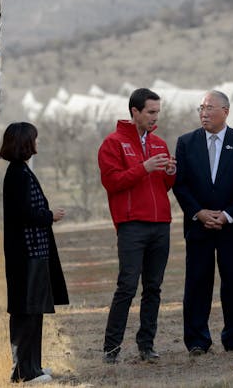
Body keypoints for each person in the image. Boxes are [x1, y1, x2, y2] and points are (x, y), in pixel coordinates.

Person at [173, 90, 233, 355]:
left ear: (225, 111)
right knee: (197, 282)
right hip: (198, 225)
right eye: (201, 108)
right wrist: (199, 212)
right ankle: (197, 340)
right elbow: (181, 184)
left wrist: (228, 214)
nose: (204, 113)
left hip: (231, 226)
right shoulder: (186, 142)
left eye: (209, 108)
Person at [98, 88, 176, 364]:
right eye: (151, 112)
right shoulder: (113, 143)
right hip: (132, 226)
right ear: (135, 112)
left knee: (153, 287)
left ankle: (146, 344)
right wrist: (144, 167)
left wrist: (169, 173)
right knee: (127, 286)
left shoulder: (160, 144)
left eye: (158, 112)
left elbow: (164, 187)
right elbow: (112, 182)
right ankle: (111, 347)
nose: (156, 117)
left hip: (160, 225)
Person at [0, 122, 69, 383]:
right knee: (25, 313)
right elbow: (25, 214)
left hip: (32, 253)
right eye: (34, 139)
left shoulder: (21, 171)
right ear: (25, 143)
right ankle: (23, 372)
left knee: (34, 311)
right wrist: (50, 216)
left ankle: (34, 367)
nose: (37, 144)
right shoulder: (17, 174)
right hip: (25, 256)